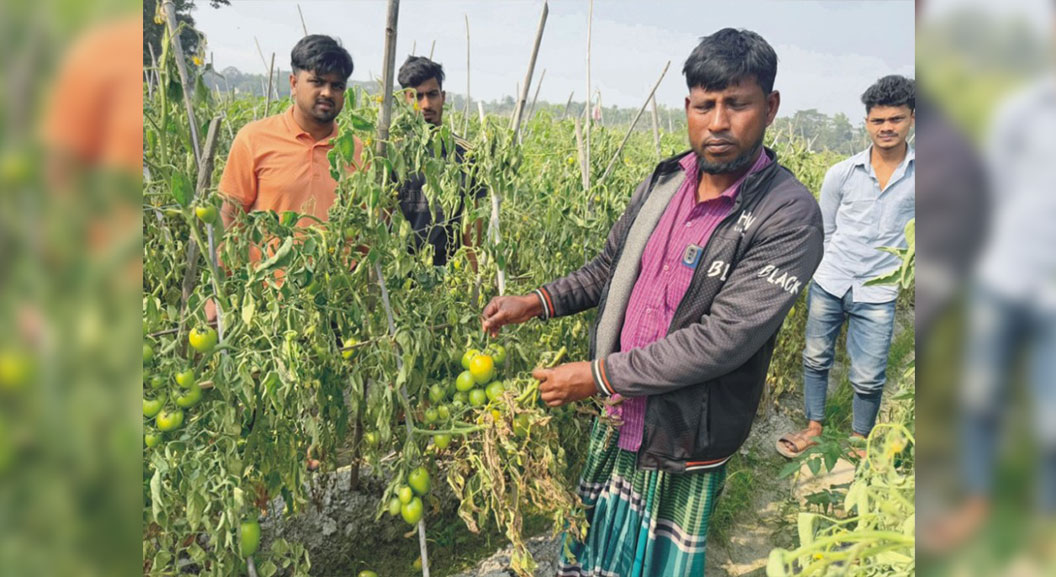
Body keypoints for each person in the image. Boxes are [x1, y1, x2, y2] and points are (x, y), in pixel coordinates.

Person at [481, 28, 823, 576]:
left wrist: (596, 376)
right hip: (621, 413)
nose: (717, 122)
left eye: (736, 104)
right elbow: (608, 270)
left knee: (655, 562)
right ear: (687, 106)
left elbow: (721, 340)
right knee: (594, 549)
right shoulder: (666, 181)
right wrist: (536, 301)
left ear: (770, 106)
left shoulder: (788, 215)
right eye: (704, 104)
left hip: (682, 435)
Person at [777, 75, 915, 459]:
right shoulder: (841, 173)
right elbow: (826, 228)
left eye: (896, 120)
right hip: (831, 280)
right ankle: (814, 427)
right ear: (867, 123)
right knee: (816, 357)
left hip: (879, 289)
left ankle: (859, 441)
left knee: (869, 374)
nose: (886, 128)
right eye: (878, 120)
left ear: (912, 120)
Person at [218, 34, 363, 232]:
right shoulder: (254, 138)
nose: (328, 93)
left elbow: (364, 229)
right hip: (267, 263)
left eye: (337, 86)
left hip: (339, 263)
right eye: (317, 82)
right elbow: (230, 217)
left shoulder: (357, 152)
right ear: (294, 84)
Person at [395, 55, 483, 267]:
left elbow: (471, 232)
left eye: (432, 95)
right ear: (403, 100)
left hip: (448, 278)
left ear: (442, 97)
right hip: (398, 278)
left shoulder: (466, 155)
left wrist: (474, 281)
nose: (426, 104)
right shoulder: (392, 153)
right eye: (416, 96)